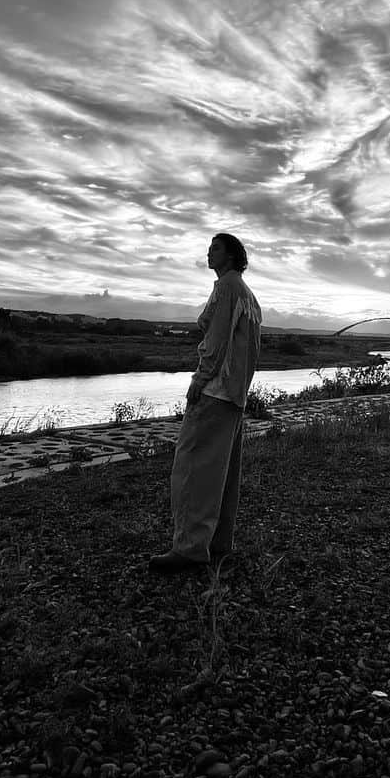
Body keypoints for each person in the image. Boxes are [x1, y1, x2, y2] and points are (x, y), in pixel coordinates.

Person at [148, 232, 262, 575]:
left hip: (215, 391)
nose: (208, 252)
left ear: (231, 255)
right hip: (234, 395)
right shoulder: (247, 293)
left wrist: (200, 379)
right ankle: (216, 543)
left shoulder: (227, 288)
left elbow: (216, 340)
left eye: (214, 247)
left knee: (193, 469)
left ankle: (189, 547)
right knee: (222, 472)